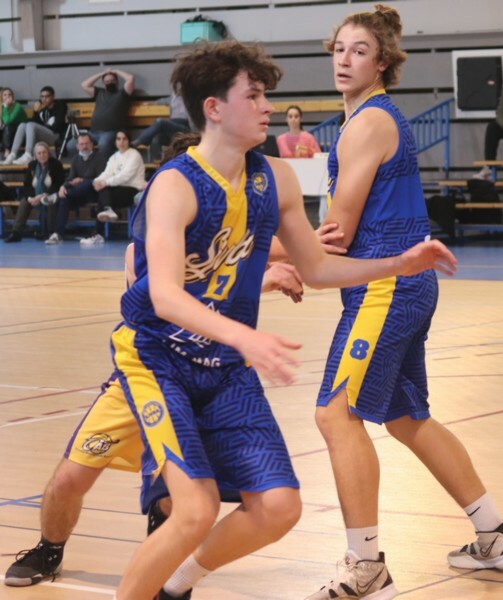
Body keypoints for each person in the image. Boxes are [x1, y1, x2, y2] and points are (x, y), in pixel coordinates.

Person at [108, 39, 456, 600]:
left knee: (278, 507)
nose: (268, 106)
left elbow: (317, 268)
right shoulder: (174, 184)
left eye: (265, 94)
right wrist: (246, 336)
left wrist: (400, 263)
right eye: (253, 95)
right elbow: (166, 297)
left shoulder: (276, 178)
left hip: (224, 366)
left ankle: (174, 583)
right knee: (194, 509)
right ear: (214, 108)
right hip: (159, 361)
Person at [302, 7, 503, 600]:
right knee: (406, 416)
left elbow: (337, 233)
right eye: (339, 48)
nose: (344, 59)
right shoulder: (367, 119)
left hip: (385, 288)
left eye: (359, 51)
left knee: (335, 414)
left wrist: (266, 255)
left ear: (382, 62)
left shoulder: (367, 124)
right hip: (404, 285)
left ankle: (366, 565)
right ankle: (495, 533)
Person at [3, 236, 306, 588]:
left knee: (180, 496)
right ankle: (49, 548)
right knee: (69, 480)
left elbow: (289, 247)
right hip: (146, 376)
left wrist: (311, 245)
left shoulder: (232, 231)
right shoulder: (143, 247)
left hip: (210, 379)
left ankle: (168, 568)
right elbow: (170, 308)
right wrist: (261, 280)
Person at [82, 129, 145, 244]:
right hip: (117, 189)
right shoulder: (114, 157)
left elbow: (125, 176)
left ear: (129, 141)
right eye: (118, 139)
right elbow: (107, 173)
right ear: (115, 142)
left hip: (133, 189)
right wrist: (97, 181)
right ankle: (107, 212)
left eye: (124, 139)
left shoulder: (134, 155)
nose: (121, 142)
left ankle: (98, 233)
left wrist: (105, 183)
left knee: (104, 192)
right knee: (103, 192)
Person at [45, 132, 104, 245]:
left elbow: (100, 178)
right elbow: (70, 178)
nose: (84, 146)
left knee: (88, 183)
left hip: (94, 192)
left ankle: (56, 196)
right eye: (81, 144)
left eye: (87, 143)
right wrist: (63, 186)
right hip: (78, 194)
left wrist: (82, 180)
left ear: (92, 144)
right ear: (77, 146)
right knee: (64, 198)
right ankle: (57, 234)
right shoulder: (76, 159)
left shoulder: (99, 157)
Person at [4, 142, 65, 243]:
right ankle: (16, 232)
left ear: (48, 153)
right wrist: (30, 198)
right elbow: (27, 186)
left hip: (52, 195)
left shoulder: (56, 164)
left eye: (44, 152)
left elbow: (58, 185)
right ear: (35, 155)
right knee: (24, 202)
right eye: (39, 153)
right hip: (35, 195)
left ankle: (50, 232)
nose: (42, 155)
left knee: (50, 201)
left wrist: (42, 196)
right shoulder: (32, 165)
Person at [79, 68, 135, 161]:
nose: (110, 83)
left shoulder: (123, 93)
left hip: (110, 132)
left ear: (117, 81)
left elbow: (130, 78)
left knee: (103, 145)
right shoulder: (99, 92)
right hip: (93, 132)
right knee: (71, 145)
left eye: (112, 80)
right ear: (103, 83)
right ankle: (86, 165)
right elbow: (84, 85)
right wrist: (101, 73)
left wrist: (115, 71)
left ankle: (101, 167)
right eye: (107, 81)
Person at [3, 86, 67, 166]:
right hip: (43, 135)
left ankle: (28, 155)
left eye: (47, 96)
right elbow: (35, 123)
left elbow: (58, 126)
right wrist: (36, 112)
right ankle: (12, 154)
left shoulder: (60, 106)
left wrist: (42, 127)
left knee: (30, 125)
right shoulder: (42, 109)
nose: (44, 99)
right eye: (42, 97)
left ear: (53, 97)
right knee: (22, 125)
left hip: (55, 135)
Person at [132, 92, 192, 160]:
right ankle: (157, 161)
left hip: (185, 129)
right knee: (156, 138)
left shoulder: (190, 98)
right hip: (172, 128)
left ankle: (139, 141)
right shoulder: (173, 97)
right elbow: (162, 101)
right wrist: (151, 103)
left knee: (160, 122)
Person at [0, 87, 28, 160]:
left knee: (7, 126)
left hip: (21, 135)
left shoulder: (17, 106)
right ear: (1, 97)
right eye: (5, 95)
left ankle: (7, 151)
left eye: (9, 94)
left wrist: (6, 107)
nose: (7, 96)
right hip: (8, 136)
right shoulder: (1, 107)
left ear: (12, 97)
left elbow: (7, 121)